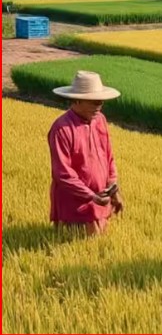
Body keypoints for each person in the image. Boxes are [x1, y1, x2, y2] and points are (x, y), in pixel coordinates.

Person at [49, 70, 123, 236]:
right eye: (94, 102)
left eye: (101, 102)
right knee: (74, 245)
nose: (99, 106)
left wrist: (113, 189)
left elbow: (109, 157)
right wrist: (91, 196)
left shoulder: (100, 120)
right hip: (75, 206)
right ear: (76, 100)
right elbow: (63, 174)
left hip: (101, 201)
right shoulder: (61, 129)